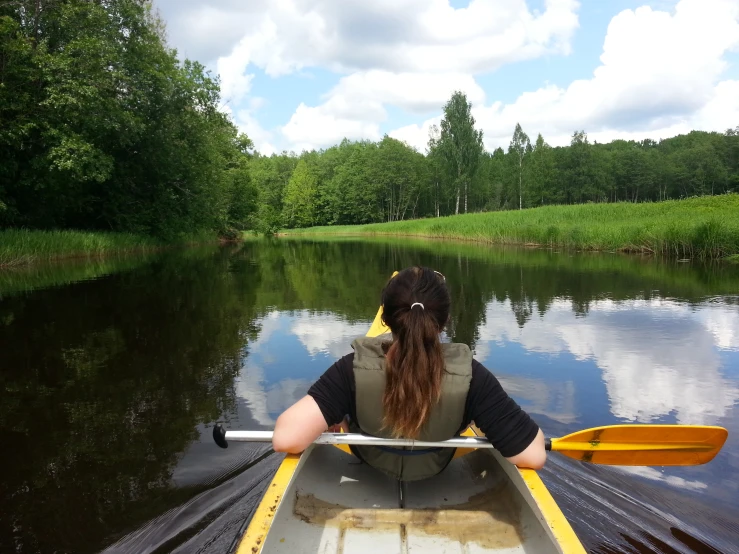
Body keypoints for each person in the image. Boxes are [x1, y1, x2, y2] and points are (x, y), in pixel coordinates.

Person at [272, 266, 546, 481]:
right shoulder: (472, 376)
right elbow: (533, 455)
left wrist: (339, 418)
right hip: (435, 471)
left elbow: (286, 439)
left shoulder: (350, 369)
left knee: (341, 413)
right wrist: (484, 417)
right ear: (443, 323)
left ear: (385, 319)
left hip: (372, 465)